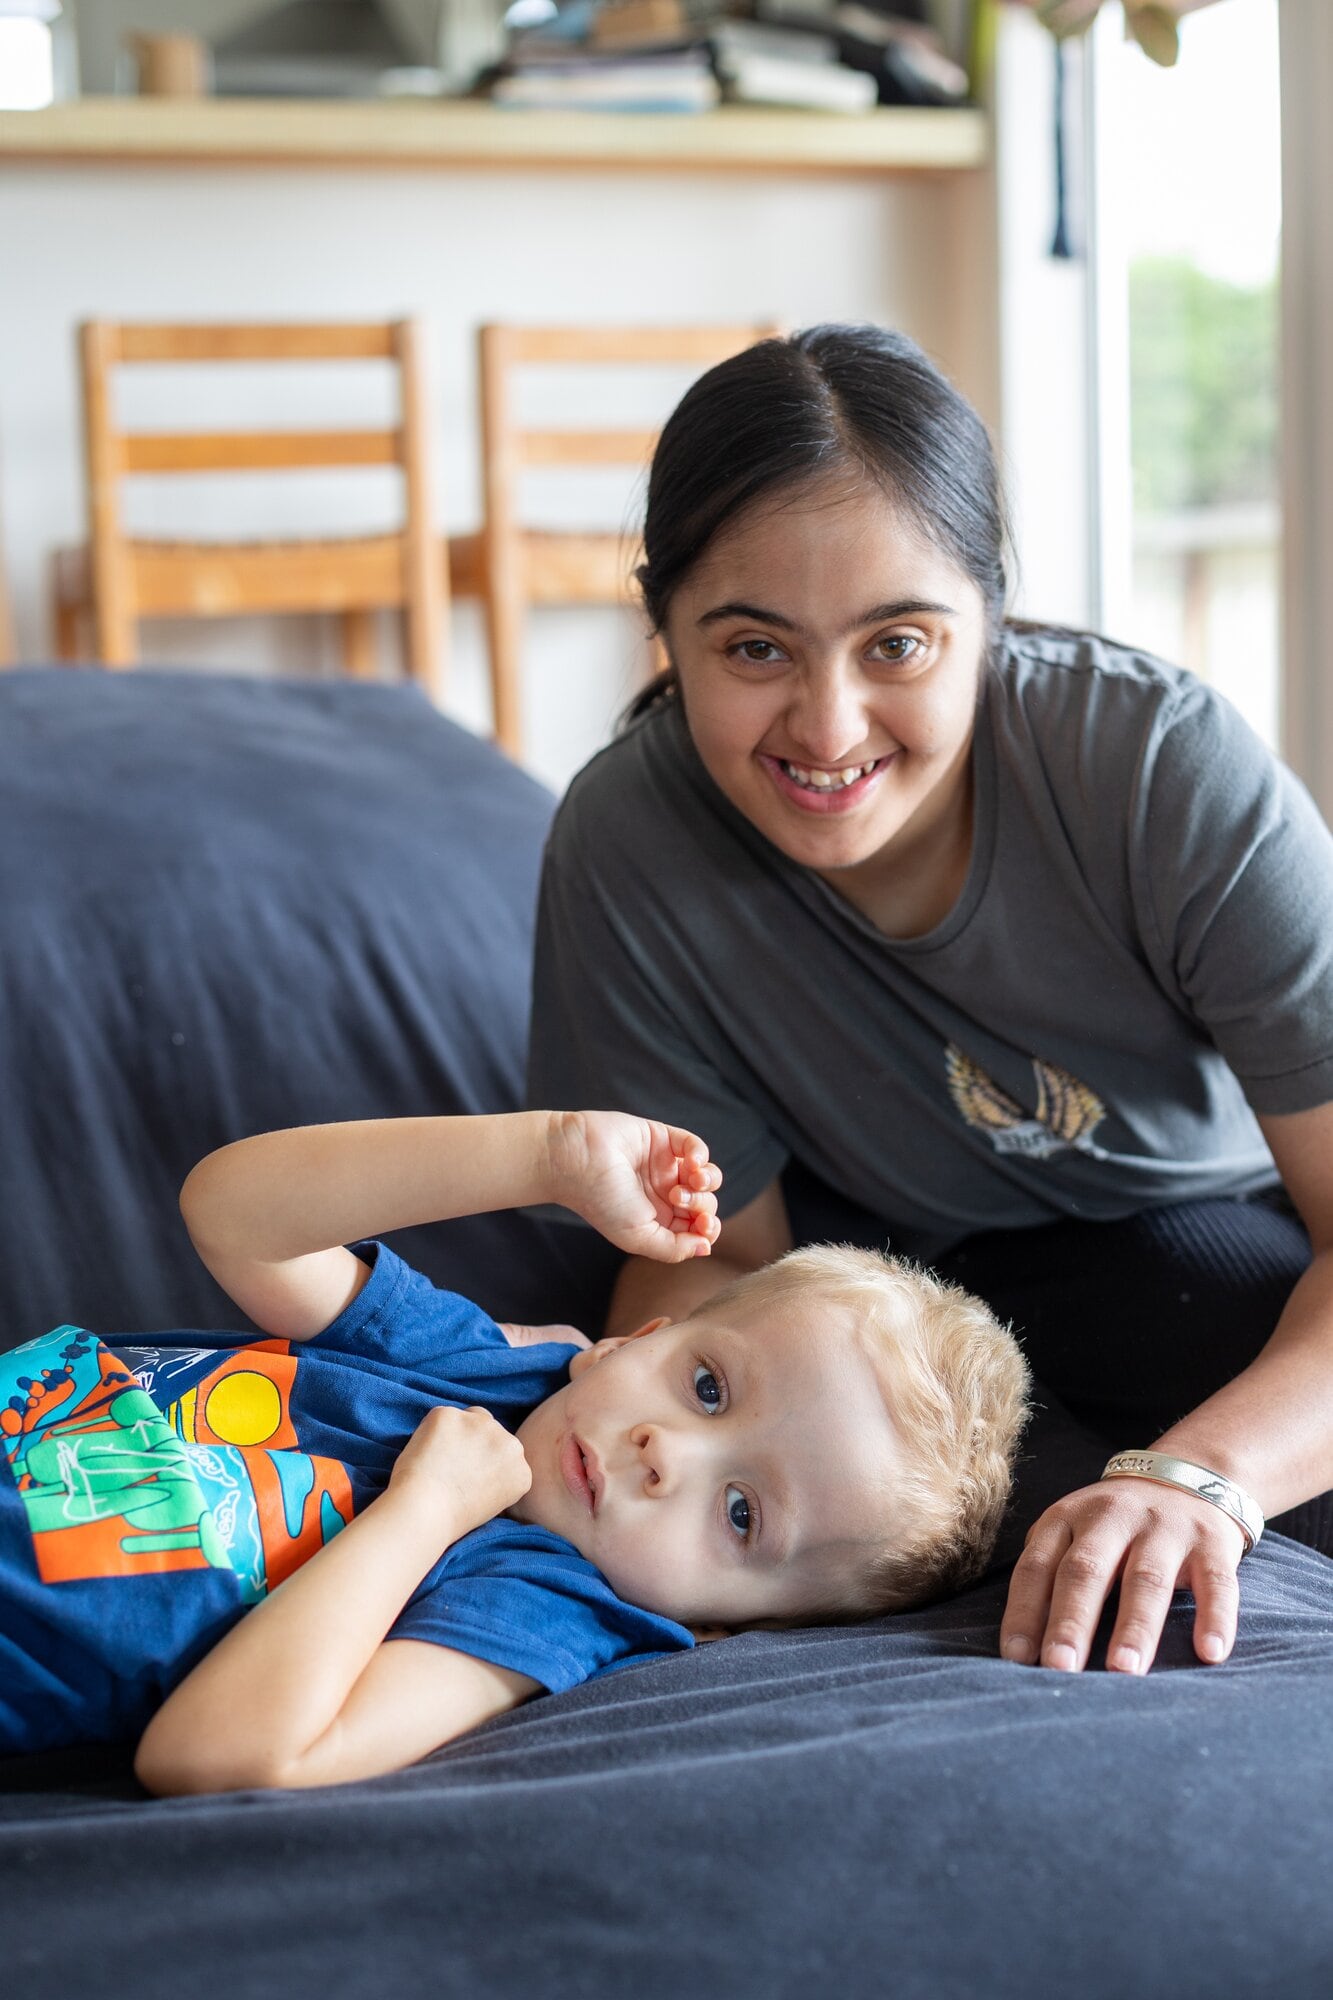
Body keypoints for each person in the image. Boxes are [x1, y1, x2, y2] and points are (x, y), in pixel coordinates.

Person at [527, 322, 1333, 1686]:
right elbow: (715, 1261)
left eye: (897, 642)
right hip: (868, 1299)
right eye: (753, 650)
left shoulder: (1159, 771)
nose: (829, 730)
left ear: (990, 613)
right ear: (660, 625)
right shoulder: (626, 841)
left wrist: (1203, 1477)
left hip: (1199, 1245)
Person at [0, 1108, 1028, 1792]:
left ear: (715, 1626)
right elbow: (231, 1217)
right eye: (707, 1385)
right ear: (637, 1338)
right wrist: (544, 1153)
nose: (664, 1451)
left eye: (741, 1511)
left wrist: (423, 1511)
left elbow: (222, 1755)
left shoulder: (539, 1606)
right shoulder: (489, 1366)